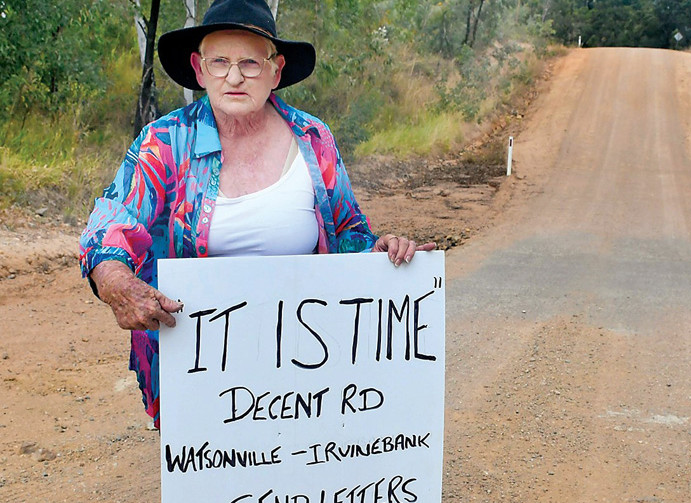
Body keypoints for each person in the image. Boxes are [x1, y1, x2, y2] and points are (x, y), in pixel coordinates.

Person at [79, 0, 434, 428]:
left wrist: (381, 249)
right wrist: (115, 279)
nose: (233, 76)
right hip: (201, 366)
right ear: (198, 68)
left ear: (276, 70)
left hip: (306, 363)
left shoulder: (313, 138)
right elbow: (114, 220)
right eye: (220, 62)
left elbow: (347, 230)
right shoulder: (166, 141)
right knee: (216, 480)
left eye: (249, 63)